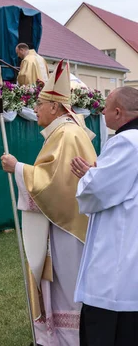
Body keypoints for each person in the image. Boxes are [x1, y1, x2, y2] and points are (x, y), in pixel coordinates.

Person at [0, 59, 97, 346]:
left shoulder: (66, 134)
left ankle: (68, 339)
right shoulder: (66, 130)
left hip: (67, 226)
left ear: (55, 107)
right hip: (69, 221)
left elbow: (54, 184)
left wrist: (17, 168)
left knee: (66, 285)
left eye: (40, 104)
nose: (36, 109)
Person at [72, 86, 138, 346]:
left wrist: (88, 175)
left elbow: (98, 191)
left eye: (106, 108)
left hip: (119, 252)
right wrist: (98, 173)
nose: (102, 112)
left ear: (119, 112)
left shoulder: (126, 142)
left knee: (110, 324)